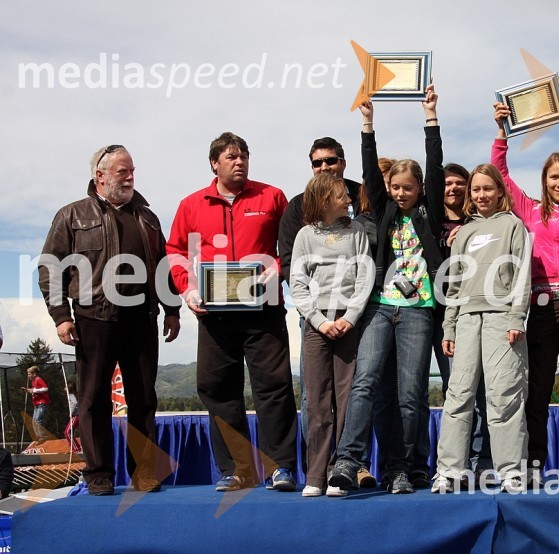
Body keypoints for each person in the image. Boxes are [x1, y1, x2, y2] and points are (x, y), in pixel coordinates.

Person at [38, 144, 181, 495]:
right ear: (100, 176)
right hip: (93, 319)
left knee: (143, 399)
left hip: (142, 319)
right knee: (93, 399)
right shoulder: (72, 215)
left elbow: (163, 267)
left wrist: (172, 310)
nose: (130, 177)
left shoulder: (147, 218)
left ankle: (144, 473)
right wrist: (61, 316)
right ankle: (99, 474)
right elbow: (51, 268)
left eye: (132, 171)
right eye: (123, 171)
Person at [329, 85, 445, 495]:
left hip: (418, 311)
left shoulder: (429, 213)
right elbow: (368, 172)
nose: (400, 193)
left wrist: (430, 117)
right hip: (379, 307)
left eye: (407, 187)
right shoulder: (384, 211)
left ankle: (401, 468)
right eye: (395, 187)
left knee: (411, 395)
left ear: (419, 189)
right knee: (365, 382)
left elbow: (435, 165)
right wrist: (367, 124)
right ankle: (347, 461)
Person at [167, 132, 297, 492]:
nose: (239, 162)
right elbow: (176, 251)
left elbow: (292, 244)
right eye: (231, 157)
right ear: (214, 163)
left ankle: (281, 468)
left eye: (244, 156)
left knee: (274, 388)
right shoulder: (191, 204)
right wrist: (187, 288)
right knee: (219, 390)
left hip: (265, 310)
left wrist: (278, 268)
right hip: (214, 315)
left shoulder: (272, 196)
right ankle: (237, 470)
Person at [491, 103, 559, 487]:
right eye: (554, 177)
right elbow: (500, 176)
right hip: (539, 304)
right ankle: (533, 462)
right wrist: (502, 131)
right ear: (544, 180)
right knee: (536, 386)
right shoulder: (531, 211)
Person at [278, 137, 378, 488]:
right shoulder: (305, 233)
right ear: (323, 200)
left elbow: (365, 275)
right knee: (316, 399)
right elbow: (296, 280)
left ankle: (343, 468)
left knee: (348, 396)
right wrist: (319, 321)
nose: (348, 200)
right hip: (316, 323)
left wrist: (350, 317)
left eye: (331, 161)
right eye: (340, 197)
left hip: (350, 321)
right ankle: (316, 474)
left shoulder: (356, 231)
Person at [432, 163, 531, 493]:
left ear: (500, 191)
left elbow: (522, 276)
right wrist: (449, 327)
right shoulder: (464, 232)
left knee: (504, 396)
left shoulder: (513, 225)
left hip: (502, 320)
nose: (481, 194)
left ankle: (511, 472)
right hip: (466, 322)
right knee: (458, 396)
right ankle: (449, 471)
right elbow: (455, 284)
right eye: (476, 189)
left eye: (488, 188)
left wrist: (517, 318)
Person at [21, 366, 50, 443]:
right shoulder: (33, 381)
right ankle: (39, 437)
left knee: (37, 420)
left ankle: (43, 436)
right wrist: (27, 390)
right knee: (34, 421)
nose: (28, 376)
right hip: (37, 404)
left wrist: (34, 390)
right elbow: (34, 390)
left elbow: (45, 388)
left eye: (29, 374)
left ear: (34, 374)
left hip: (42, 403)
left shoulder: (38, 379)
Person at [64, 380, 81, 453]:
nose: (64, 389)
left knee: (67, 432)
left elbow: (74, 403)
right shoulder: (74, 394)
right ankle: (74, 448)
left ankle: (76, 449)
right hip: (78, 415)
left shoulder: (71, 395)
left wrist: (71, 413)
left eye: (65, 387)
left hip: (76, 415)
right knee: (70, 432)